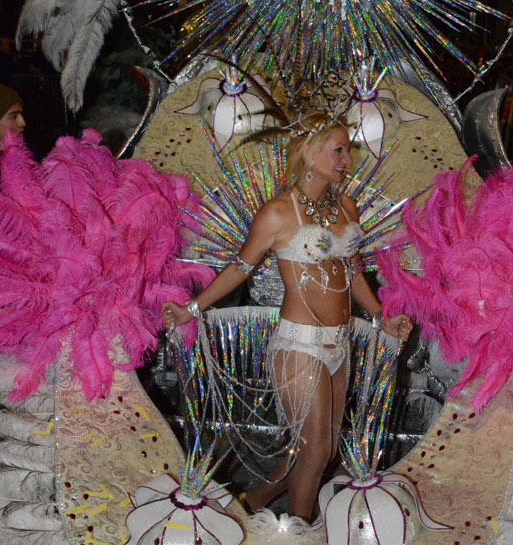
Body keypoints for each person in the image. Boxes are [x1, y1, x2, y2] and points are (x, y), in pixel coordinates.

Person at [162, 113, 412, 522]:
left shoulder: (345, 206)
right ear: (311, 153)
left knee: (324, 449)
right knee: (315, 449)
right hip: (298, 345)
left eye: (348, 149)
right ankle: (300, 534)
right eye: (339, 149)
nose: (347, 159)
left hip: (340, 343)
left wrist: (381, 317)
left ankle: (255, 500)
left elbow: (351, 273)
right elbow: (240, 268)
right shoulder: (278, 213)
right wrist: (192, 310)